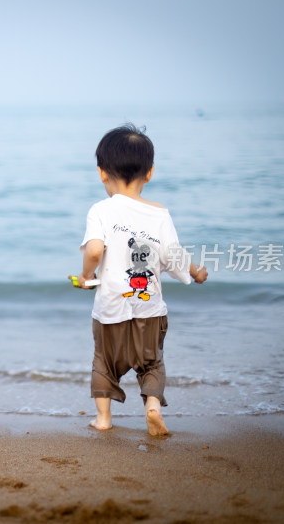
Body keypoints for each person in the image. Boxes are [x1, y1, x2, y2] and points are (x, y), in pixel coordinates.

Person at [68, 124, 208, 436]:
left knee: (104, 362)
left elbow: (94, 249)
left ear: (102, 173)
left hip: (110, 311)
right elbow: (173, 256)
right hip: (150, 311)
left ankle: (104, 419)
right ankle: (153, 408)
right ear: (150, 173)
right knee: (152, 365)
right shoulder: (160, 214)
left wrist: (87, 275)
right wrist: (196, 271)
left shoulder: (101, 210)